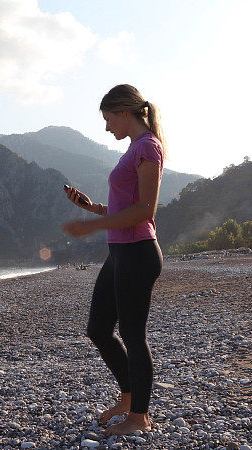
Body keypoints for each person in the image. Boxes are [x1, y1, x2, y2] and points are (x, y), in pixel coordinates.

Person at [61, 84, 165, 436]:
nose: (107, 128)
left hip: (138, 252)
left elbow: (144, 211)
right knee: (98, 329)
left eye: (108, 119)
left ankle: (139, 418)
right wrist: (92, 208)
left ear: (123, 111)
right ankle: (128, 396)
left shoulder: (148, 147)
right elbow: (126, 207)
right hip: (120, 252)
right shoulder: (135, 149)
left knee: (133, 335)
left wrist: (92, 226)